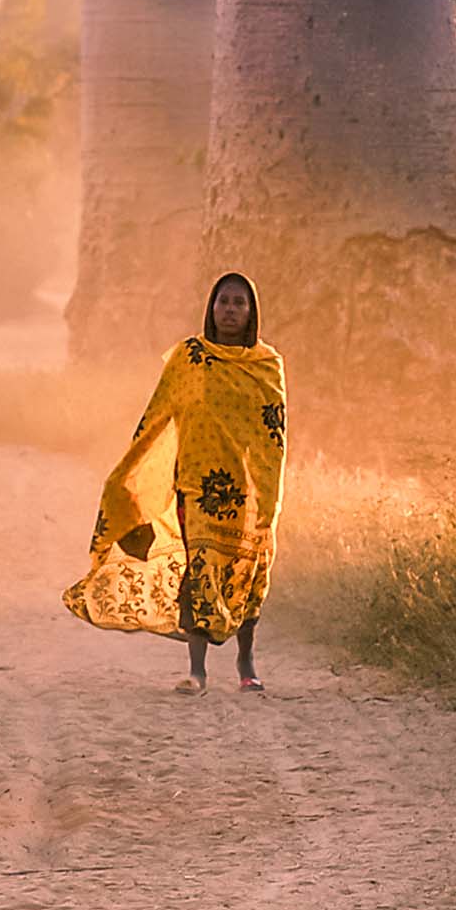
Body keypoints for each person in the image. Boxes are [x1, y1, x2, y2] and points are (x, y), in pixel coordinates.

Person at [62, 272, 287, 694]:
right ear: (211, 307)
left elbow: (274, 434)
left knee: (248, 571)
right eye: (224, 302)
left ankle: (245, 658)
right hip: (197, 486)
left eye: (240, 303)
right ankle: (197, 670)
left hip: (249, 492)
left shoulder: (266, 365)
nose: (231, 310)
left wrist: (269, 500)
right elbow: (157, 417)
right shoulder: (190, 358)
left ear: (253, 311)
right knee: (199, 569)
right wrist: (129, 473)